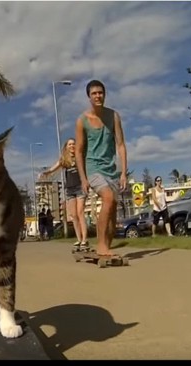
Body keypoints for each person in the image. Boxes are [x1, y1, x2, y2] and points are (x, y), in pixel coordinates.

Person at [75, 79, 128, 257]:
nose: (98, 96)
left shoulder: (113, 116)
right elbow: (79, 151)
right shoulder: (82, 121)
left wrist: (123, 173)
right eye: (94, 93)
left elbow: (120, 145)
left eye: (100, 93)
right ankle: (100, 245)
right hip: (93, 168)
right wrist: (83, 178)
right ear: (89, 97)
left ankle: (106, 245)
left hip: (111, 169)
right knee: (108, 198)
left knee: (112, 215)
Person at [39, 138, 89, 250]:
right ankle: (79, 239)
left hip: (80, 187)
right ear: (66, 147)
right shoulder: (64, 159)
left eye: (73, 144)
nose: (72, 146)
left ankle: (85, 240)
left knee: (80, 212)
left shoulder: (80, 156)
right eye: (70, 144)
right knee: (74, 215)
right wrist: (46, 172)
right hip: (70, 189)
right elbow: (54, 167)